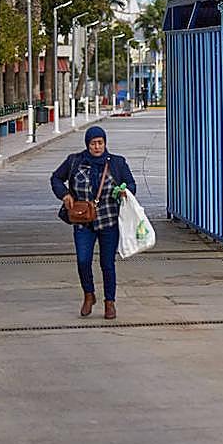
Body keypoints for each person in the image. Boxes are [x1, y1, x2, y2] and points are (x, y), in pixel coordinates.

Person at [50, 125, 137, 319]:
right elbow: (56, 178)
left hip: (109, 222)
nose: (97, 147)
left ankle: (110, 302)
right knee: (83, 260)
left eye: (100, 143)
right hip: (83, 221)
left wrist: (125, 191)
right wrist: (64, 195)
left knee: (107, 263)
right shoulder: (75, 161)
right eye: (93, 143)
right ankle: (89, 294)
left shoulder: (117, 163)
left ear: (105, 143)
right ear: (87, 144)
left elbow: (131, 183)